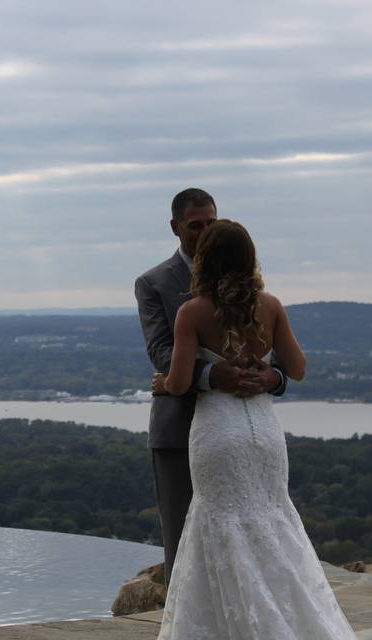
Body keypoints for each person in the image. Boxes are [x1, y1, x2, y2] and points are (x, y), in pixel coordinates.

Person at [153, 219, 357, 638]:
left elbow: (177, 382)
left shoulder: (192, 311)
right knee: (273, 516)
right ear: (250, 258)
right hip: (263, 430)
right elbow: (296, 369)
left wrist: (163, 383)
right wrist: (269, 375)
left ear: (204, 259)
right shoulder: (271, 306)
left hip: (217, 430)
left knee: (219, 519)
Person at [134, 188, 286, 586]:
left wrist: (271, 378)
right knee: (185, 545)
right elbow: (160, 351)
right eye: (194, 225)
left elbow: (283, 360)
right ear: (175, 228)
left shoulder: (252, 288)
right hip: (181, 427)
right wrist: (212, 376)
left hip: (245, 429)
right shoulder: (154, 282)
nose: (203, 233)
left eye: (210, 224)